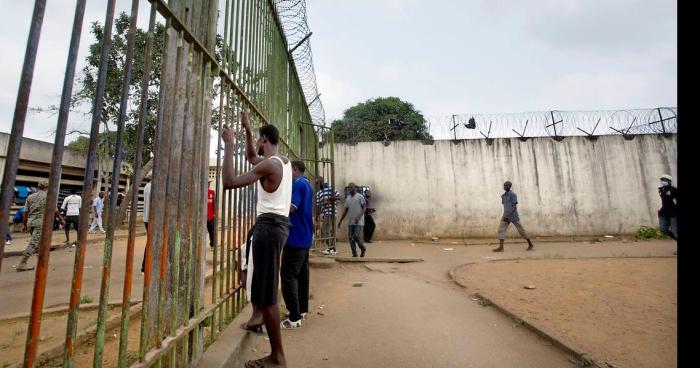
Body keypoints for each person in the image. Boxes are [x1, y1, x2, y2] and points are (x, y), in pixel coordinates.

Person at [222, 110, 292, 368]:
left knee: (269, 295)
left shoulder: (269, 165)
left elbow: (229, 182)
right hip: (279, 226)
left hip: (269, 228)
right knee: (265, 288)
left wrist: (230, 144)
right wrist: (249, 131)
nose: (256, 149)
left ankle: (277, 357)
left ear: (265, 141)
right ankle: (258, 319)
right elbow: (254, 157)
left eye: (258, 141)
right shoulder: (282, 162)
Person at [280, 160, 314, 329]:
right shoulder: (307, 184)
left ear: (294, 169)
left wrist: (275, 211)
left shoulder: (298, 184)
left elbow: (292, 207)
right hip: (305, 236)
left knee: (288, 275)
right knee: (301, 274)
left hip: (295, 237)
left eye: (288, 170)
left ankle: (294, 317)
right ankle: (301, 310)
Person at [16, 179, 49, 271]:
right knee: (34, 243)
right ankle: (22, 263)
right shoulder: (49, 196)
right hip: (41, 222)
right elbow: (55, 211)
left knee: (38, 242)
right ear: (47, 187)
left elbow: (25, 212)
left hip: (31, 221)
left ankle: (42, 261)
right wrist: (61, 220)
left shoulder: (30, 196)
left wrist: (24, 224)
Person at [493, 181, 534, 252]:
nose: (504, 187)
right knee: (501, 229)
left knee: (521, 230)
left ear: (509, 186)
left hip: (513, 216)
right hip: (506, 216)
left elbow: (514, 207)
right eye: (504, 185)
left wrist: (508, 215)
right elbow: (505, 207)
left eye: (506, 186)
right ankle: (501, 247)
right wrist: (505, 215)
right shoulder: (503, 196)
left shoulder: (513, 195)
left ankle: (530, 244)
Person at [338, 183, 367, 257]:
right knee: (351, 238)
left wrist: (359, 217)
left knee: (356, 236)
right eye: (349, 188)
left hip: (359, 221)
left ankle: (363, 248)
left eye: (351, 187)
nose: (350, 189)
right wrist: (340, 221)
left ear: (355, 188)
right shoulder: (348, 198)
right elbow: (345, 210)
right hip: (351, 222)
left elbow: (364, 208)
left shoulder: (360, 197)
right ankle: (354, 254)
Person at [316, 179, 340, 255]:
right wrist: (317, 215)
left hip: (332, 213)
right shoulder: (319, 193)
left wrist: (332, 199)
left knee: (326, 231)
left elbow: (339, 197)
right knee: (326, 231)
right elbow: (318, 205)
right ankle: (331, 248)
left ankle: (331, 248)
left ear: (322, 182)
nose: (318, 185)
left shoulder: (331, 189)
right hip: (325, 214)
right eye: (317, 183)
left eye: (319, 183)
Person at [657, 174, 678, 253]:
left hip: (673, 213)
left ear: (669, 181)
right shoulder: (661, 190)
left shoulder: (674, 190)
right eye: (662, 180)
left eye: (665, 180)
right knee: (663, 229)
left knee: (675, 231)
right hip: (663, 213)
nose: (663, 181)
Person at [141, 180, 152, 273]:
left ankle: (145, 266)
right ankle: (145, 266)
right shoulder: (153, 187)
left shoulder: (147, 186)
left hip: (147, 218)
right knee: (151, 243)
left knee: (150, 242)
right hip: (152, 219)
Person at [207, 179, 216, 248]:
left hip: (211, 216)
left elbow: (214, 204)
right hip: (202, 217)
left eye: (209, 183)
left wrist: (214, 213)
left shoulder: (212, 192)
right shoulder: (200, 192)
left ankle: (212, 244)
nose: (208, 184)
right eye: (207, 183)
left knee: (212, 231)